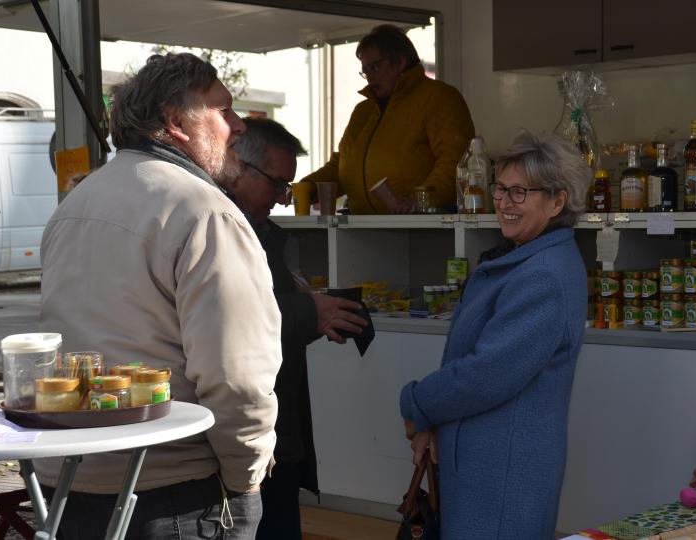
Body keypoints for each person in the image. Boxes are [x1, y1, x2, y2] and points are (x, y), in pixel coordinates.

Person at [38, 53, 280, 539]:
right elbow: (236, 377)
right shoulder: (206, 212)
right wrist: (245, 482)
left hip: (71, 480)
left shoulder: (76, 203)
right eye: (223, 110)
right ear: (176, 123)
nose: (236, 127)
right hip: (171, 488)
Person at [399, 131, 591, 538]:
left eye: (520, 192)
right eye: (500, 189)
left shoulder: (542, 276)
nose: (503, 203)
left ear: (557, 201)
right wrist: (432, 420)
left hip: (503, 474)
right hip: (485, 467)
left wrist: (418, 403)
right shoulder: (524, 260)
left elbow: (483, 375)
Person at [223, 117, 368, 538]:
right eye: (277, 184)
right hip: (245, 439)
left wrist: (311, 309)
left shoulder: (263, 233)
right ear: (240, 170)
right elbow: (231, 318)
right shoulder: (220, 230)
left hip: (274, 432)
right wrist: (308, 312)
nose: (285, 198)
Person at [301, 24, 474, 214]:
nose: (369, 76)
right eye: (365, 71)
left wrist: (417, 203)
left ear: (399, 62)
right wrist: (308, 187)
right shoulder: (362, 111)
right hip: (361, 227)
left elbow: (455, 162)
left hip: (420, 226)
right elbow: (341, 166)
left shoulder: (439, 97)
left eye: (374, 67)